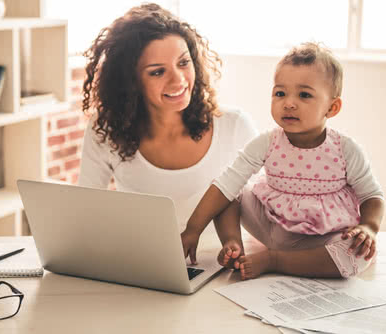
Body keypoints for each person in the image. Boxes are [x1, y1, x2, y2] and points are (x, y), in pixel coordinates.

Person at [181, 42, 385, 279]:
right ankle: (234, 245)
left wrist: (369, 227)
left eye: (304, 94)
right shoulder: (267, 142)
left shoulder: (345, 149)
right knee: (229, 189)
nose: (288, 103)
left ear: (332, 107)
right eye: (280, 93)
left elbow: (372, 196)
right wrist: (192, 230)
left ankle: (275, 260)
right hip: (270, 227)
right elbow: (226, 184)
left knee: (358, 255)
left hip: (319, 239)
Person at [78, 3, 258, 233]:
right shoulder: (106, 129)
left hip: (220, 265)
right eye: (157, 71)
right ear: (131, 82)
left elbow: (268, 210)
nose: (178, 80)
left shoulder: (234, 125)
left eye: (183, 63)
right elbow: (86, 211)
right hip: (141, 262)